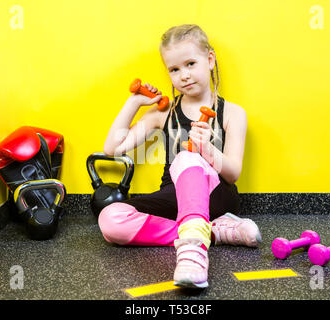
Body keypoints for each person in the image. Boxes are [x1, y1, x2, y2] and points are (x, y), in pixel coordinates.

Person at [100, 24, 262, 289]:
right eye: (175, 69)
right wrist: (134, 103)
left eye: (190, 64)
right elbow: (112, 148)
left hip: (217, 195)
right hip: (174, 197)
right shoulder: (163, 113)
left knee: (186, 158)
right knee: (110, 220)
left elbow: (233, 173)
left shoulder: (233, 113)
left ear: (209, 60)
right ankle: (214, 232)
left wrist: (207, 151)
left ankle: (193, 253)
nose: (184, 75)